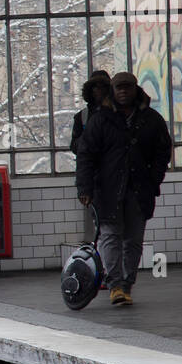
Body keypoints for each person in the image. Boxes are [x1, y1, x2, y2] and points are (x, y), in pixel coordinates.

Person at [75, 71, 172, 307]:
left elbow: (163, 150)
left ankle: (126, 284)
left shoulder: (151, 120)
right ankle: (116, 285)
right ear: (113, 91)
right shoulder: (100, 120)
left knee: (133, 239)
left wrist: (153, 178)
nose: (123, 92)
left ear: (135, 89)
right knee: (110, 236)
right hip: (107, 190)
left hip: (139, 189)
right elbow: (85, 154)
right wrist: (86, 187)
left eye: (127, 87)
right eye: (119, 88)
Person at [70, 70, 113, 243]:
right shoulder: (82, 117)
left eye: (103, 87)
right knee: (99, 222)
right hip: (94, 176)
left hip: (113, 174)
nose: (99, 91)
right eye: (95, 87)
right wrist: (88, 141)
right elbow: (74, 146)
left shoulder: (117, 114)